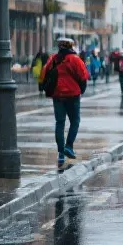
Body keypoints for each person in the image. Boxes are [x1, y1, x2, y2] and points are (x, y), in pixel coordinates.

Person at [40, 38, 90, 168]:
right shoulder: (75, 59)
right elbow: (84, 77)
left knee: (59, 123)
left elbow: (44, 74)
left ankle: (61, 153)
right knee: (75, 121)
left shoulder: (53, 59)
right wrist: (81, 90)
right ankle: (69, 146)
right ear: (71, 46)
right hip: (73, 95)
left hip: (57, 95)